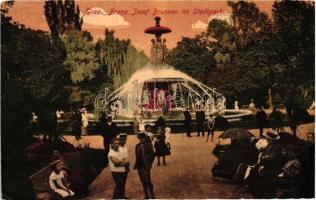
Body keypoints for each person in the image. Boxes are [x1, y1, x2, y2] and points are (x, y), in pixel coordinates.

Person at [134, 132, 155, 199]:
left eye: (143, 138)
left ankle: (151, 193)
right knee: (143, 181)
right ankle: (146, 194)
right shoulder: (137, 146)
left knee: (148, 181)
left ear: (145, 138)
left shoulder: (148, 145)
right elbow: (136, 155)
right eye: (140, 138)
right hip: (139, 166)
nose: (142, 140)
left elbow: (152, 155)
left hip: (146, 166)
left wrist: (149, 163)